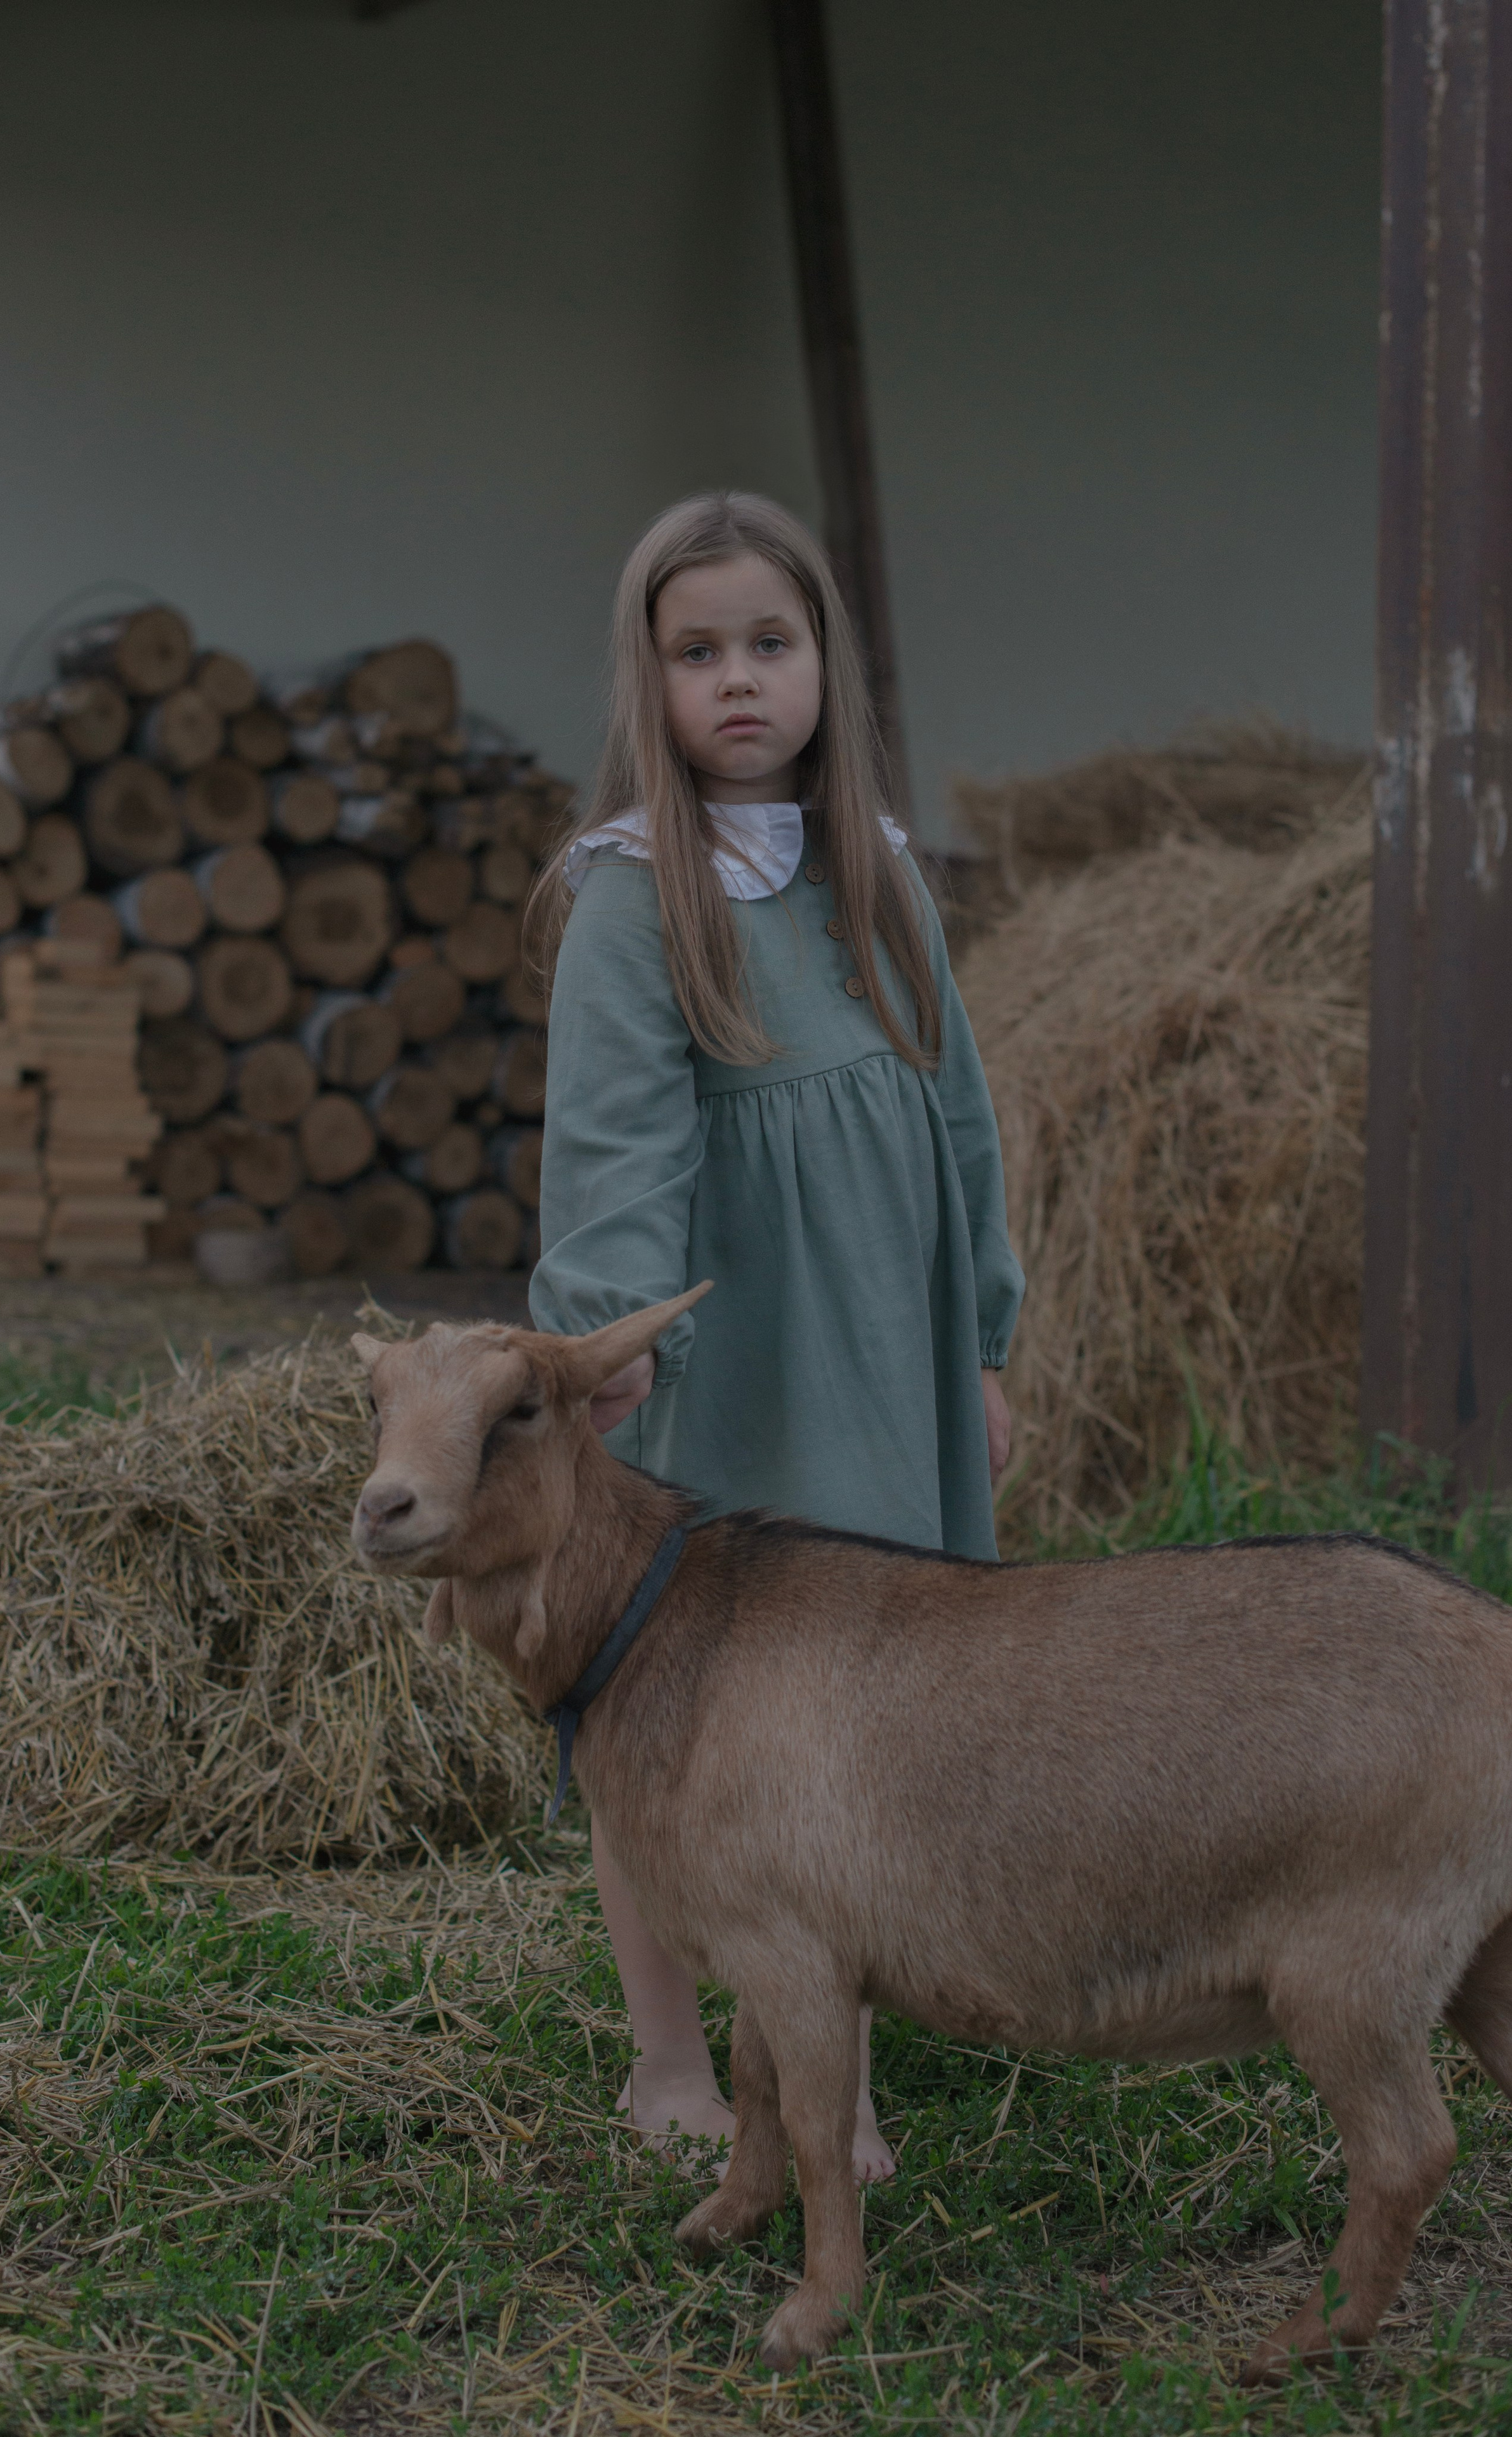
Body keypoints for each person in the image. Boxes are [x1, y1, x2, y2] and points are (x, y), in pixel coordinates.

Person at [525, 489, 1025, 2183]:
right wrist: (607, 1338)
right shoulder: (631, 896)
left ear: (826, 663)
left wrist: (980, 1345)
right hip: (731, 1356)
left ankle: (828, 2043)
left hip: (881, 1349)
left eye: (769, 642)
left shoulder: (878, 876)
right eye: (696, 652)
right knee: (689, 1716)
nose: (737, 679)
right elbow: (611, 1143)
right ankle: (678, 2064)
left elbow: (955, 1123)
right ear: (647, 682)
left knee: (853, 1709)